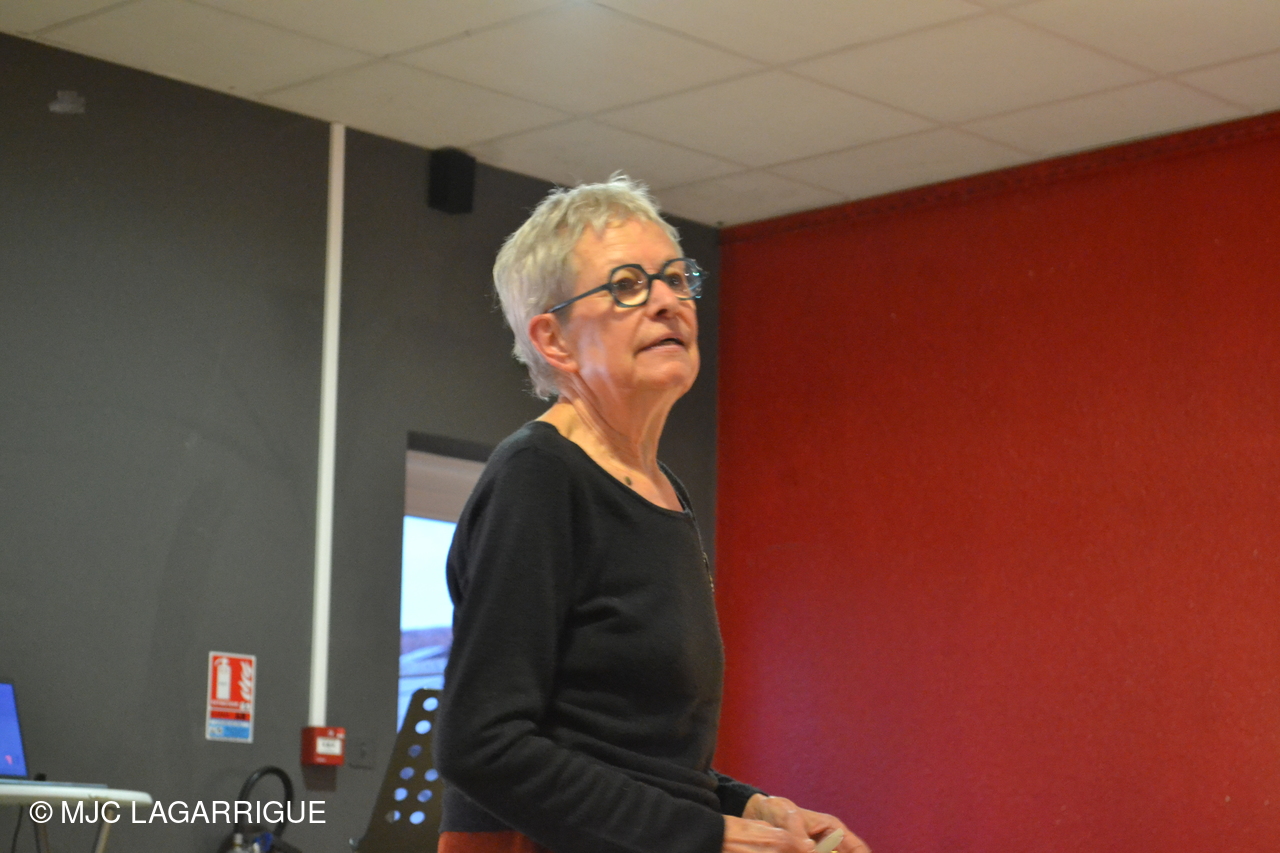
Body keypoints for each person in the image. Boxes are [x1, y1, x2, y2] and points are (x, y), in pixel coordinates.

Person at [434, 175, 870, 853]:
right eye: (628, 285)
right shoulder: (539, 477)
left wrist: (752, 808)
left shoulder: (665, 491)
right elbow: (481, 744)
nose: (667, 301)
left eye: (674, 278)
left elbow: (633, 755)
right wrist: (708, 835)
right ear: (554, 339)